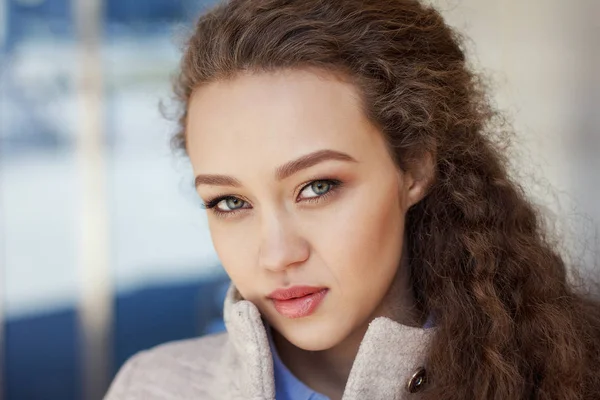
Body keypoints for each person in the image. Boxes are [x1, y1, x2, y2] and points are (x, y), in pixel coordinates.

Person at [104, 0, 600, 399]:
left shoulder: (572, 374)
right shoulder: (152, 387)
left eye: (317, 187)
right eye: (230, 202)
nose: (277, 255)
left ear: (414, 167)